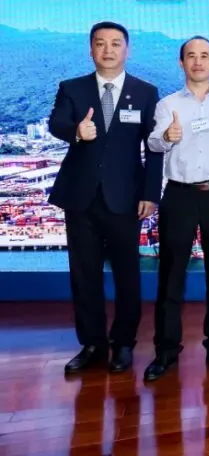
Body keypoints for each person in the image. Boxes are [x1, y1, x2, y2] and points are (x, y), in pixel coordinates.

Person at [47, 21, 163, 374]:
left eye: (115, 43)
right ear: (91, 49)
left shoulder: (146, 92)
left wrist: (150, 193)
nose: (108, 50)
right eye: (100, 43)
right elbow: (55, 123)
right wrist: (75, 131)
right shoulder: (72, 88)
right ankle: (92, 344)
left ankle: (123, 343)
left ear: (127, 49)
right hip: (80, 196)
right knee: (84, 274)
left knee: (127, 274)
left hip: (126, 197)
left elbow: (153, 147)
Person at [144, 36, 209, 382]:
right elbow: (153, 143)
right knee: (170, 276)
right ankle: (166, 350)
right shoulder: (167, 104)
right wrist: (167, 137)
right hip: (179, 195)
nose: (198, 62)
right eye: (191, 56)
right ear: (181, 62)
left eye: (205, 56)